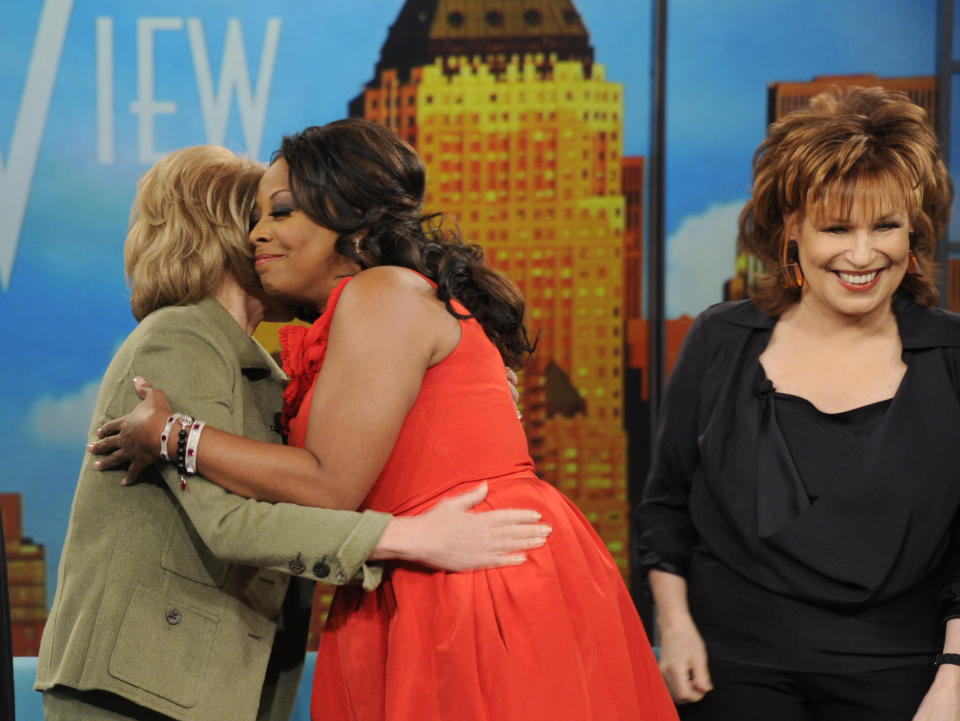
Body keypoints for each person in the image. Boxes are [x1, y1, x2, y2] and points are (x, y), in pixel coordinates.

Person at [90, 119, 678, 721]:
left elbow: (329, 484)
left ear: (352, 222)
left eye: (282, 212)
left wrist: (173, 435)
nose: (258, 235)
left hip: (469, 577)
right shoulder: (373, 305)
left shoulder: (382, 294)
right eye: (255, 218)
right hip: (414, 575)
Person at [36, 145, 551, 721]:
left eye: (282, 217)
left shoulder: (268, 373)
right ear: (232, 236)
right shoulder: (179, 338)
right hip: (141, 683)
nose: (270, 237)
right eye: (263, 219)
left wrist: (459, 385)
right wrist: (413, 538)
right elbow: (230, 523)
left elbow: (330, 466)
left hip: (199, 683)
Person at [635, 86, 958, 721]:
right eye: (837, 228)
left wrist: (954, 677)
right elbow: (666, 508)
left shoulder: (952, 357)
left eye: (885, 226)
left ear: (914, 235)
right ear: (791, 234)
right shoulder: (721, 339)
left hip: (902, 676)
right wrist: (673, 627)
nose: (862, 255)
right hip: (730, 671)